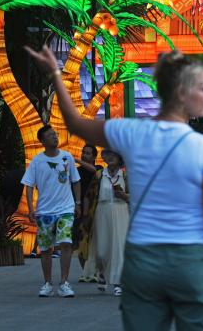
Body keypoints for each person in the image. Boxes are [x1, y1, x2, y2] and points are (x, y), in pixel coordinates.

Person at [26, 46, 203, 329]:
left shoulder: (130, 133)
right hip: (192, 259)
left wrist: (56, 74)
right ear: (182, 93)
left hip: (143, 261)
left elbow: (74, 123)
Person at [22, 124, 82, 298]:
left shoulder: (67, 157)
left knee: (66, 243)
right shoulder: (36, 161)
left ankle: (64, 283)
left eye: (55, 134)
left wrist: (77, 203)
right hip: (45, 211)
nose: (55, 136)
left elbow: (76, 181)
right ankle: (47, 283)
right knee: (46, 248)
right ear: (42, 141)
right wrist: (31, 208)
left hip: (66, 209)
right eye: (50, 135)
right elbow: (29, 185)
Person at [82, 148, 130, 296]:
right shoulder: (99, 174)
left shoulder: (125, 175)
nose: (110, 157)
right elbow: (88, 196)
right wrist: (85, 215)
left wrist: (124, 196)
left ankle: (118, 282)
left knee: (119, 248)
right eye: (107, 154)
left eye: (113, 155)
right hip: (101, 211)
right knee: (101, 250)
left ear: (119, 158)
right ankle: (101, 272)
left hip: (121, 211)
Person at [75, 144, 103, 281]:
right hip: (80, 209)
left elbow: (92, 170)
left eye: (87, 153)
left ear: (94, 156)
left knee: (95, 241)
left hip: (95, 209)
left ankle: (95, 270)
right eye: (83, 152)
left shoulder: (99, 169)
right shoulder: (77, 171)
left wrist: (77, 160)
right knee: (81, 240)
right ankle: (86, 271)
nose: (84, 155)